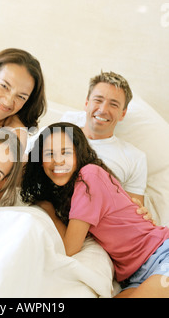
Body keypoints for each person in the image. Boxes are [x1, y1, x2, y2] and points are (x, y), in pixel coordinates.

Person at [21, 122, 169, 298]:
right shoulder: (66, 192)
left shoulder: (89, 176)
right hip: (133, 276)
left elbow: (69, 248)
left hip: (161, 254)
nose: (58, 160)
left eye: (66, 152)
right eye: (49, 153)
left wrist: (48, 209)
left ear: (79, 153)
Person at [61, 71, 147, 205]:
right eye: (98, 100)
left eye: (113, 104)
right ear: (86, 103)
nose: (103, 109)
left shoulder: (135, 158)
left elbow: (134, 212)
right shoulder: (56, 136)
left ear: (122, 114)